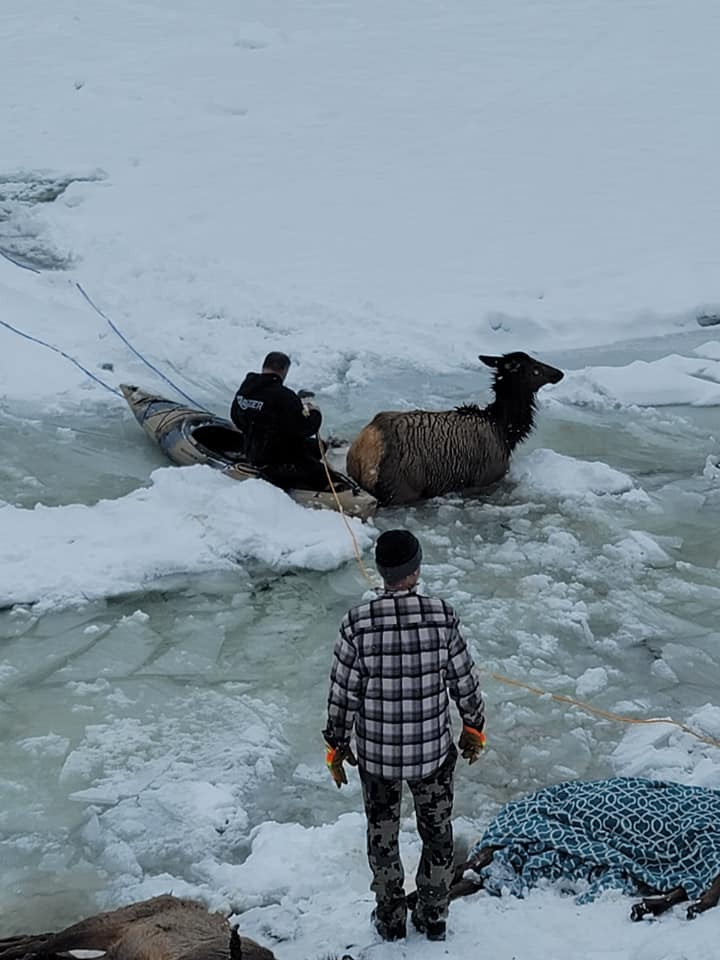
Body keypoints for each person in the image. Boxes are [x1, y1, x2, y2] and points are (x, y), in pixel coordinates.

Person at [322, 529, 486, 943]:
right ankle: (434, 916)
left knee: (382, 836)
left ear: (380, 571)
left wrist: (336, 745)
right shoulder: (441, 615)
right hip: (432, 754)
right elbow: (464, 682)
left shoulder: (357, 623)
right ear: (415, 569)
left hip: (377, 759)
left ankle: (391, 919)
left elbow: (343, 692)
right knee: (437, 833)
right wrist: (473, 727)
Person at [230, 351, 327, 491]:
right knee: (321, 473)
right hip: (277, 461)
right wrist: (314, 411)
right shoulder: (285, 396)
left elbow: (235, 416)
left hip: (253, 448)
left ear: (264, 366)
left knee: (317, 447)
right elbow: (306, 428)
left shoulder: (247, 387)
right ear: (284, 370)